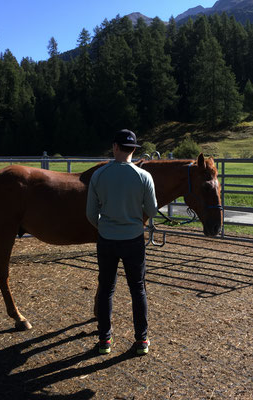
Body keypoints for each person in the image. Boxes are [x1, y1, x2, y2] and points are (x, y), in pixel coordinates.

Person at [86, 129, 158, 356]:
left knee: (106, 289)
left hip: (107, 239)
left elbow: (90, 213)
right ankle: (142, 340)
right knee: (138, 289)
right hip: (134, 240)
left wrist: (105, 227)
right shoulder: (143, 176)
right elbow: (152, 210)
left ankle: (105, 341)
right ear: (133, 149)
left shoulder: (99, 175)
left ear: (115, 147)